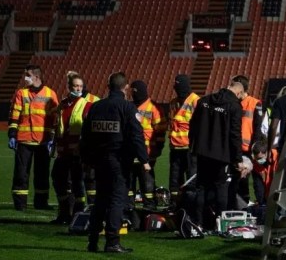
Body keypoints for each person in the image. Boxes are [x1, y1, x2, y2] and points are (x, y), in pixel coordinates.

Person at [80, 72, 150, 253]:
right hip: (118, 160)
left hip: (99, 160)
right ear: (125, 88)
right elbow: (136, 136)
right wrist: (144, 160)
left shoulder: (95, 107)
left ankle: (92, 240)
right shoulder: (127, 108)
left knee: (100, 200)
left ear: (107, 86)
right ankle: (112, 241)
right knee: (117, 200)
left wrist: (86, 159)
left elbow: (85, 136)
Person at [188, 80, 248, 229]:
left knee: (201, 187)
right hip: (222, 154)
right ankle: (219, 224)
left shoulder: (204, 101)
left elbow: (193, 124)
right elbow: (235, 134)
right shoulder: (234, 106)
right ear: (239, 92)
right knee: (221, 187)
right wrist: (238, 159)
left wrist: (193, 145)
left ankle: (198, 222)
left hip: (202, 151)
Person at [9, 64, 59, 211]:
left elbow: (55, 118)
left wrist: (52, 138)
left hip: (42, 141)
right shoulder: (21, 93)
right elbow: (15, 114)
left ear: (36, 77)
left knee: (42, 175)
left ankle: (41, 203)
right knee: (20, 173)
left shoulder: (50, 94)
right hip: (24, 139)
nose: (25, 78)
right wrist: (12, 134)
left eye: (28, 75)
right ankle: (20, 204)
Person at [50, 71, 93, 224]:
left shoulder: (86, 105)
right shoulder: (63, 104)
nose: (78, 89)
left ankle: (77, 214)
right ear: (69, 87)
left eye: (81, 86)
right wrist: (54, 144)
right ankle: (64, 212)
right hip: (63, 152)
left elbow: (87, 129)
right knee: (58, 178)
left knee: (77, 183)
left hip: (77, 153)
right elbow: (59, 127)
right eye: (75, 86)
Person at [229, 75, 264, 209]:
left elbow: (258, 128)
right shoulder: (233, 103)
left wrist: (254, 148)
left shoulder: (255, 103)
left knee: (254, 177)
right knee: (238, 178)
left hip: (249, 148)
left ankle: (258, 203)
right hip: (236, 147)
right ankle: (242, 203)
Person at [129, 80, 164, 209]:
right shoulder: (129, 106)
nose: (133, 94)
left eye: (135, 91)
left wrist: (157, 150)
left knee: (147, 184)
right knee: (129, 184)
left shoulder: (154, 107)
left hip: (147, 154)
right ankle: (129, 210)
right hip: (131, 153)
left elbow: (160, 131)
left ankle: (149, 208)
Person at [166, 74, 200, 201]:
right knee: (174, 181)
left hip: (190, 148)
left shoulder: (196, 101)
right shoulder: (173, 103)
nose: (177, 89)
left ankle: (191, 203)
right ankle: (175, 203)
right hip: (175, 148)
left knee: (191, 179)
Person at [249, 141, 278, 206]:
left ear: (267, 153)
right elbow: (258, 186)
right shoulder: (255, 165)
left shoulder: (278, 158)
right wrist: (260, 201)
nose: (258, 161)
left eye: (260, 158)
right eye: (256, 159)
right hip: (267, 198)